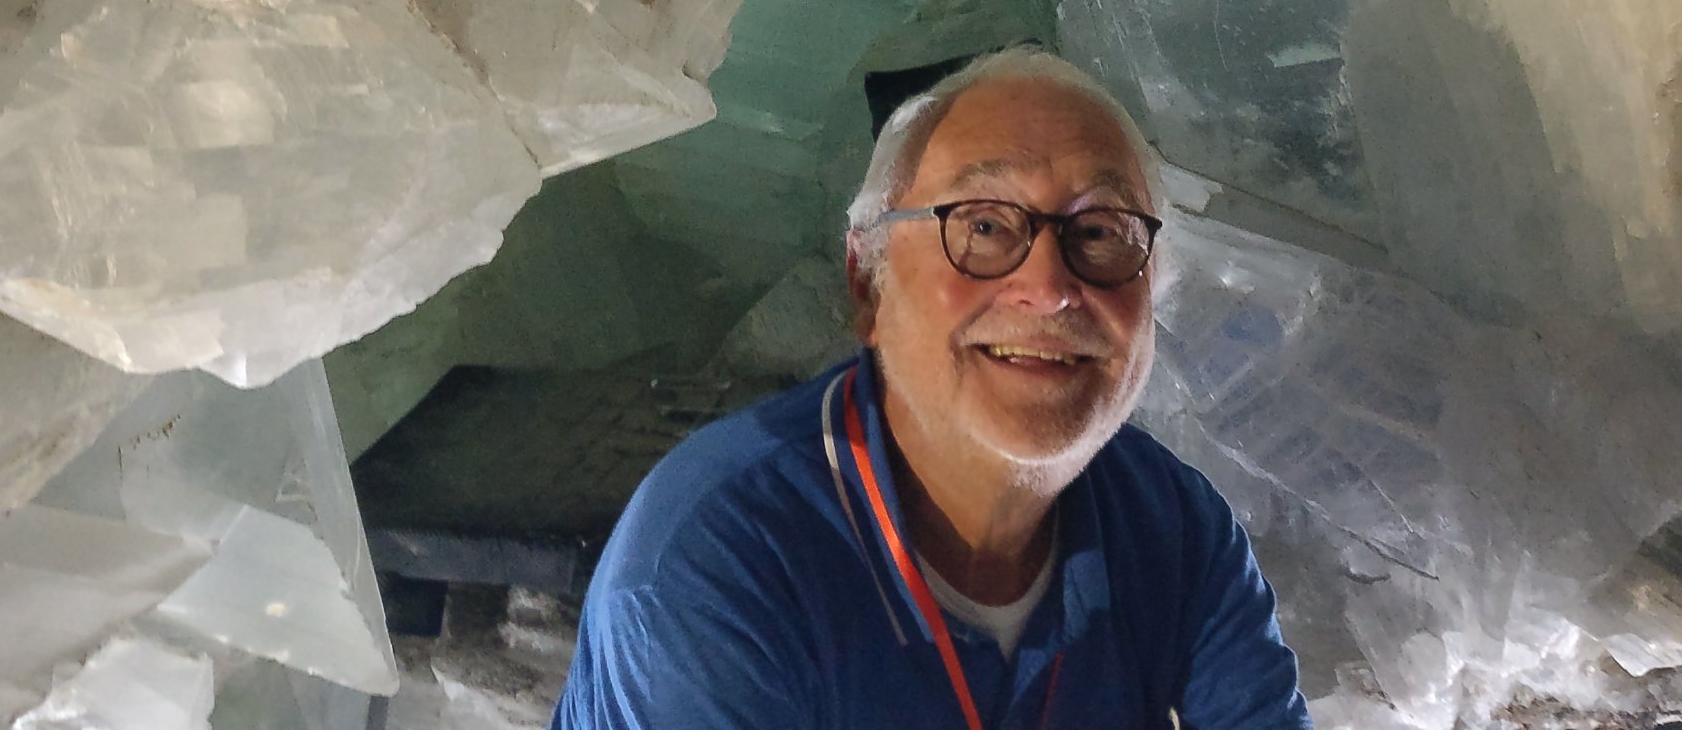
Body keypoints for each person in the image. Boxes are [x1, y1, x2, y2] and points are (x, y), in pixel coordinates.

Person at [551, 46, 1311, 729]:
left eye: (1101, 232)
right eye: (983, 227)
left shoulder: (1172, 526)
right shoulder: (719, 565)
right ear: (866, 285)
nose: (1048, 287)